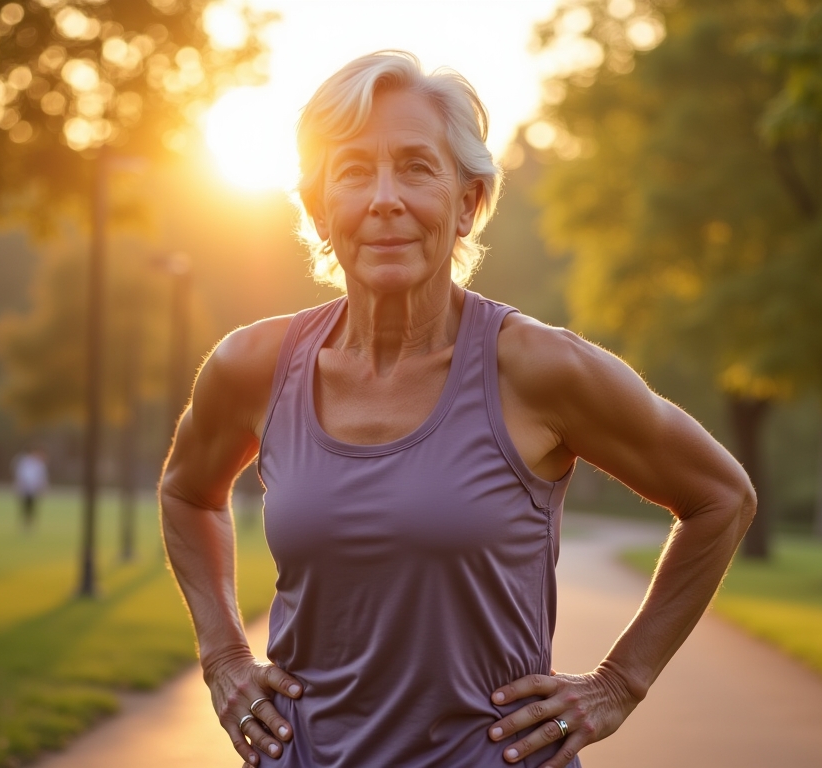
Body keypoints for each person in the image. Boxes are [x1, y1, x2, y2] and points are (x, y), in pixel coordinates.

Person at [158, 51, 756, 768]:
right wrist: (223, 653)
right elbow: (188, 493)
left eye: (416, 166)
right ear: (319, 207)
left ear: (469, 202)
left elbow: (721, 497)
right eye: (353, 171)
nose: (385, 198)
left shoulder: (539, 369)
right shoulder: (252, 367)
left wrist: (619, 683)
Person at [13, 448, 49, 531]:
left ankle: (30, 525)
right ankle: (24, 524)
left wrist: (42, 487)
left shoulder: (39, 463)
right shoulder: (25, 462)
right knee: (25, 507)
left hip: (34, 489)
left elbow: (42, 477)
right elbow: (22, 474)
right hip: (25, 489)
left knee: (32, 508)